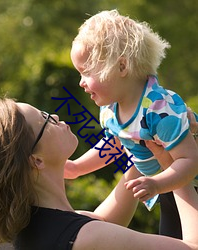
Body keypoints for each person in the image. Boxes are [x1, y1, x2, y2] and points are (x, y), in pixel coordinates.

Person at [0, 98, 198, 250]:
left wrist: (140, 137)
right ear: (36, 160)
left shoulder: (21, 234)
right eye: (45, 120)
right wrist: (174, 164)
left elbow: (104, 221)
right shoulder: (86, 238)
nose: (54, 116)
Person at [68, 9, 198, 239]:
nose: (81, 82)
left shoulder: (158, 109)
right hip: (167, 187)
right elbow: (116, 143)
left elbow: (190, 160)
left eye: (86, 72)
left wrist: (157, 184)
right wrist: (78, 167)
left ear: (121, 67)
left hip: (187, 185)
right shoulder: (110, 109)